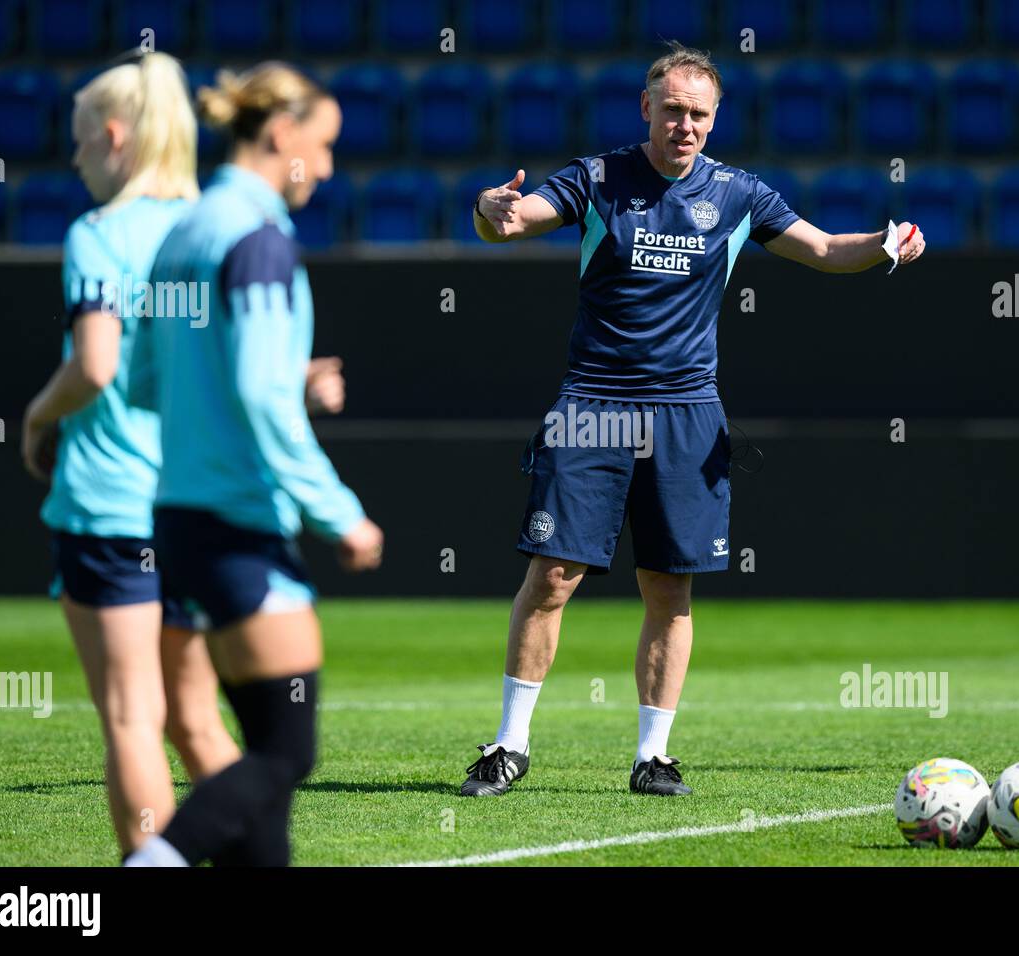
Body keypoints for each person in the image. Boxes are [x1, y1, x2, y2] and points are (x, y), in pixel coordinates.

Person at [461, 42, 926, 798]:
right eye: (672, 110)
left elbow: (825, 249)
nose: (684, 125)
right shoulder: (599, 177)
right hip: (594, 405)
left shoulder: (740, 194)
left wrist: (884, 246)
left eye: (698, 115)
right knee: (552, 575)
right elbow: (513, 223)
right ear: (646, 107)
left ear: (715, 121)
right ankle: (508, 745)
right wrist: (490, 210)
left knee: (669, 588)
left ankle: (653, 756)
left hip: (687, 410)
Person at [123, 62, 383, 867]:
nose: (332, 166)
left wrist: (271, 381)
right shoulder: (261, 240)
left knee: (258, 790)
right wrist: (339, 513)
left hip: (178, 520)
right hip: (240, 525)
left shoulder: (181, 233)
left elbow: (145, 381)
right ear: (282, 135)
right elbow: (263, 397)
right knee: (284, 751)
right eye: (327, 145)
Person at [21, 51, 242, 859]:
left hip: (112, 503)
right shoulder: (214, 229)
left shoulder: (98, 234)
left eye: (80, 143)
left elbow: (96, 364)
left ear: (114, 136)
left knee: (130, 715)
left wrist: (37, 417)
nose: (74, 159)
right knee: (195, 718)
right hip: (201, 504)